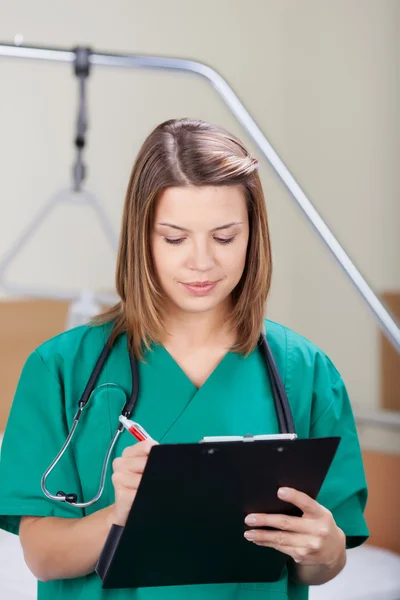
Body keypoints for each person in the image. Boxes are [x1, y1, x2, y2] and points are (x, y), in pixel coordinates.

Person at [0, 118, 369, 600]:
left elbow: (316, 568)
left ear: (253, 236)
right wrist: (121, 512)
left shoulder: (306, 373)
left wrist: (325, 549)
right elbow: (43, 558)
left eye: (224, 237)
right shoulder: (61, 369)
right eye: (174, 238)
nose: (201, 261)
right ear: (141, 237)